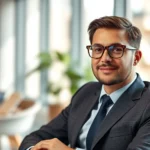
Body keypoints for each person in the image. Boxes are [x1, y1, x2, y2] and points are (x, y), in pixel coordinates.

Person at [19, 16, 150, 150]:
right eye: (98, 49)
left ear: (136, 58)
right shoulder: (85, 93)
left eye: (116, 50)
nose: (105, 58)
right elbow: (34, 138)